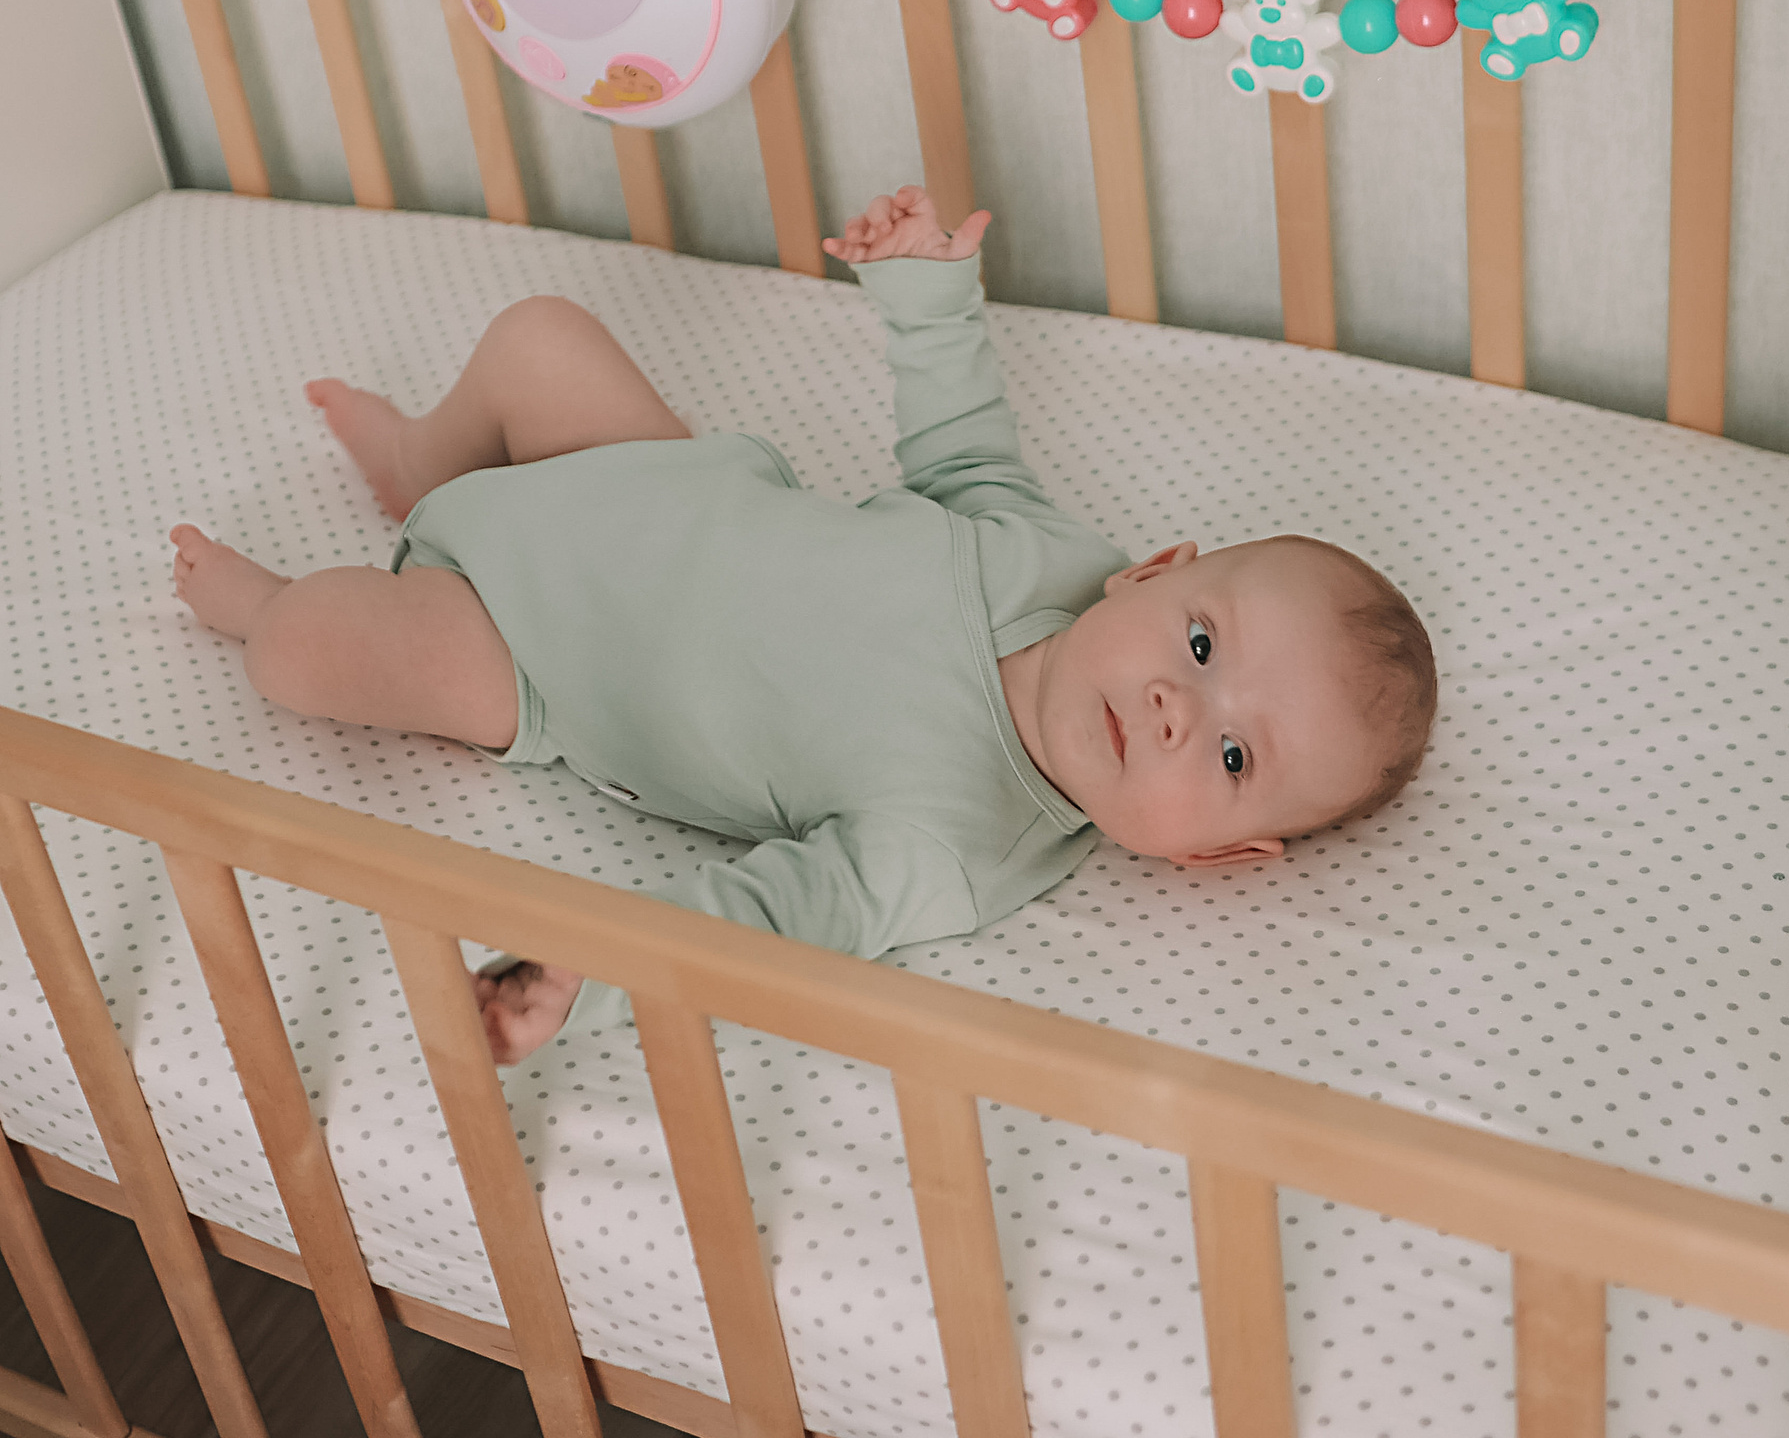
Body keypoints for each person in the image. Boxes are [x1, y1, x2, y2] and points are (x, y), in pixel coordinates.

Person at [170, 187, 1435, 1062]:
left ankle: (268, 601)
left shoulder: (946, 848)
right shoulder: (1055, 559)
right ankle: (424, 463)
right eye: (1202, 648)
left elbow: (762, 920)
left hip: (541, 657)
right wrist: (929, 297)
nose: (1175, 710)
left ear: (1214, 857)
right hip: (649, 476)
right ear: (1152, 574)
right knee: (539, 337)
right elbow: (964, 453)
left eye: (1232, 756)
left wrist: (584, 978)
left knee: (306, 649)